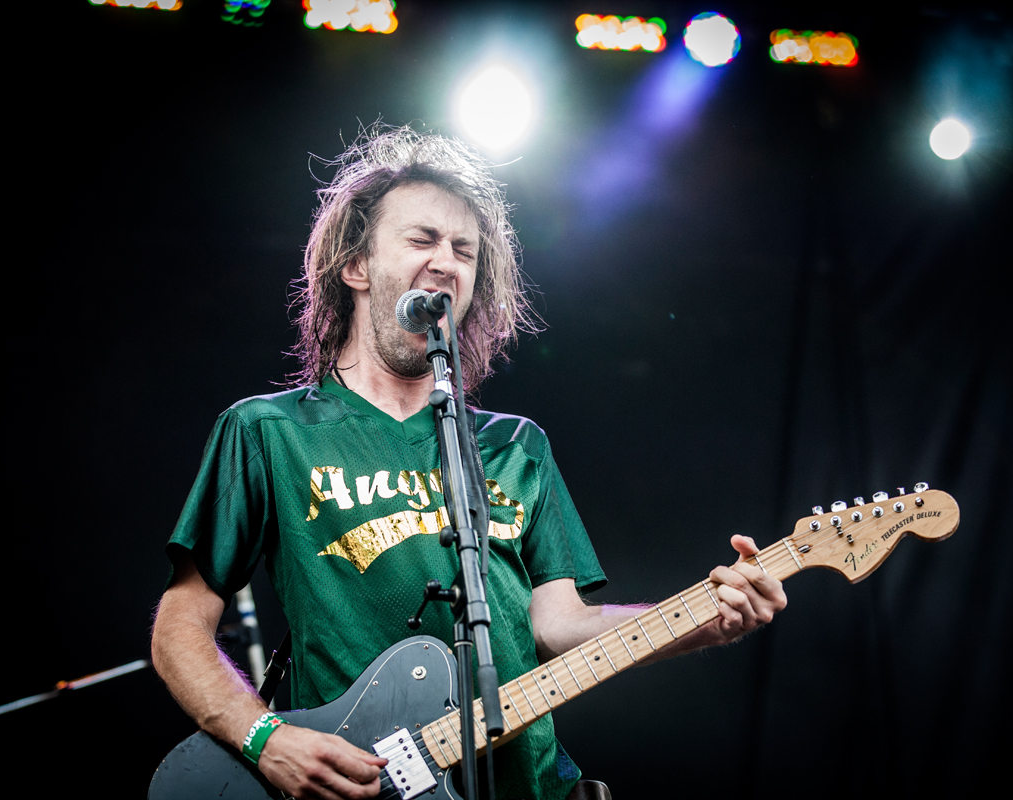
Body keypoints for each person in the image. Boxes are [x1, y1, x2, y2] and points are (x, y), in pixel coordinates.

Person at [150, 127, 787, 800]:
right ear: (356, 266)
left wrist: (703, 620)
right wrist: (266, 738)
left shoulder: (515, 446)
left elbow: (560, 625)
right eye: (421, 239)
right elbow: (179, 626)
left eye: (463, 250)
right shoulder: (268, 432)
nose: (446, 262)